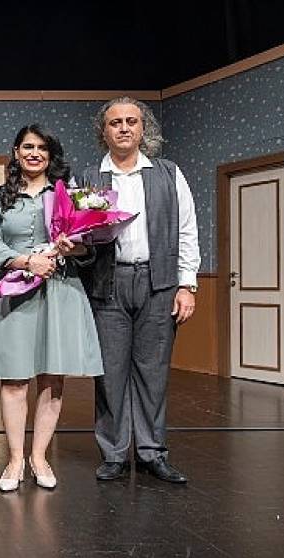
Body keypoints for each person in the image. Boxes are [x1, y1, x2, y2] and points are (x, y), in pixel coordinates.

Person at [0, 124, 104, 491]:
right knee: (14, 378)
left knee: (52, 377)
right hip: (15, 293)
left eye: (42, 148)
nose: (34, 153)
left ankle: (39, 456)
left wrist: (72, 247)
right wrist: (26, 262)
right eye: (27, 147)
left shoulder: (70, 194)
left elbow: (89, 245)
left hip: (59, 292)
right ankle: (15, 459)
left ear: (51, 155)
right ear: (16, 152)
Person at [81, 97, 199, 484]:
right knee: (110, 373)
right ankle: (114, 453)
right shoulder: (88, 179)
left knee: (153, 371)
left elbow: (187, 231)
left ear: (143, 128)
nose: (124, 128)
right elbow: (76, 237)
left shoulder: (169, 173)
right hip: (107, 284)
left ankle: (152, 452)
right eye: (115, 122)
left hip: (158, 283)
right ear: (104, 131)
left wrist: (187, 284)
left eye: (131, 121)